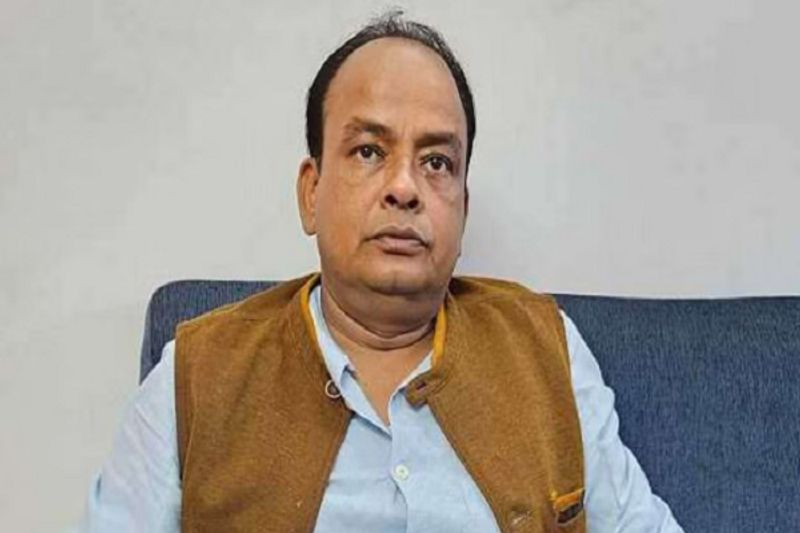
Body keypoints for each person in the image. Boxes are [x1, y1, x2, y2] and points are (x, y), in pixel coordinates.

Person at [78, 12, 684, 533]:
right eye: (369, 151)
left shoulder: (546, 348)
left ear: (463, 208)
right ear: (311, 192)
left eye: (437, 162)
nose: (404, 188)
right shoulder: (195, 376)